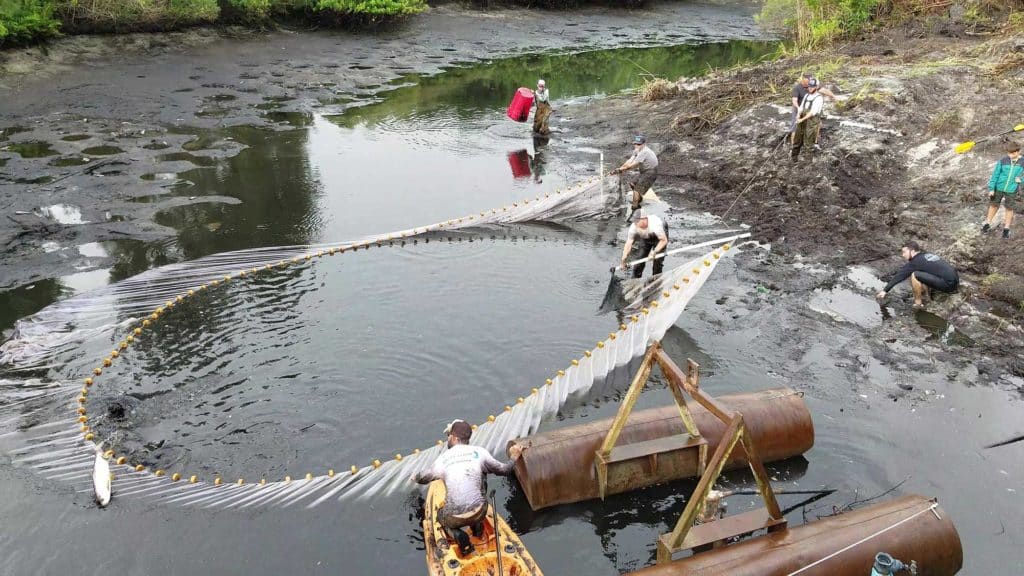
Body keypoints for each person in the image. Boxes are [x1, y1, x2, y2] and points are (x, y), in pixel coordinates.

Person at [414, 419, 523, 553]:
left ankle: (458, 534)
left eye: (449, 436)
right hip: (480, 512)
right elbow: (505, 470)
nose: (448, 438)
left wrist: (415, 477)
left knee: (440, 517)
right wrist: (514, 456)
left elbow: (424, 478)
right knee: (482, 474)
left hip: (454, 517)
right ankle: (477, 528)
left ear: (453, 437)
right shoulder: (480, 452)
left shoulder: (443, 459)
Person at [875, 240, 959, 309]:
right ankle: (926, 296)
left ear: (912, 251)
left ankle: (918, 303)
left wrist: (885, 290)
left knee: (915, 275)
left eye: (904, 252)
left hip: (948, 285)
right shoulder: (925, 255)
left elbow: (900, 276)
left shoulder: (915, 262)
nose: (903, 255)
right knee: (922, 273)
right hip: (954, 282)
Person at [981, 142, 1022, 239]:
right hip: (998, 187)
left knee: (1009, 208)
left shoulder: (1023, 162)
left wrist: (1021, 179)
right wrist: (991, 188)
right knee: (993, 205)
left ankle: (1006, 229)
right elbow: (995, 175)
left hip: (1011, 189)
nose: (1010, 155)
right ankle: (987, 223)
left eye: (1012, 153)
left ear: (1017, 152)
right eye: (1008, 153)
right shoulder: (1003, 161)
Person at [611, 135, 659, 214]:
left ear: (644, 144)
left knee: (636, 190)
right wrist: (620, 168)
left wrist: (622, 170)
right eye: (636, 144)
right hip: (643, 172)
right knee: (632, 184)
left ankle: (635, 208)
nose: (637, 146)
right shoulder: (637, 150)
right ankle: (639, 198)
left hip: (651, 173)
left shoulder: (645, 152)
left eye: (639, 144)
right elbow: (630, 160)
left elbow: (634, 165)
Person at [620, 209, 669, 278]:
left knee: (657, 262)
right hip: (646, 237)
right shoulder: (634, 227)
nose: (635, 223)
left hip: (660, 237)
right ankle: (635, 281)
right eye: (635, 221)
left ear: (644, 219)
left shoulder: (656, 225)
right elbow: (628, 244)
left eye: (637, 221)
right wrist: (623, 259)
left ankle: (656, 281)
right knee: (639, 260)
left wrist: (654, 252)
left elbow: (664, 241)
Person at [791, 78, 826, 160]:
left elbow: (812, 112)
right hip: (802, 119)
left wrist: (802, 119)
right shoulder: (806, 95)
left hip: (812, 121)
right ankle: (794, 158)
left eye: (812, 87)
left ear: (816, 87)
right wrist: (798, 115)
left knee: (808, 141)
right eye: (809, 86)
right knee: (797, 139)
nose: (810, 88)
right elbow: (801, 107)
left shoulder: (819, 98)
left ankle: (809, 160)